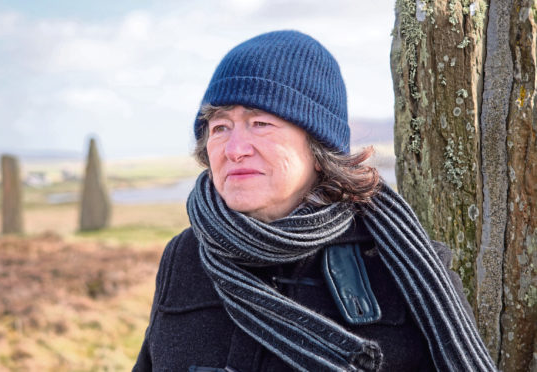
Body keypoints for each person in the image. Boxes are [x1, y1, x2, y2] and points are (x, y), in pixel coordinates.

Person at [133, 30, 496, 371]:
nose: (235, 150)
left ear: (318, 147)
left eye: (260, 123)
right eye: (219, 127)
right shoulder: (184, 255)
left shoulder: (399, 263)